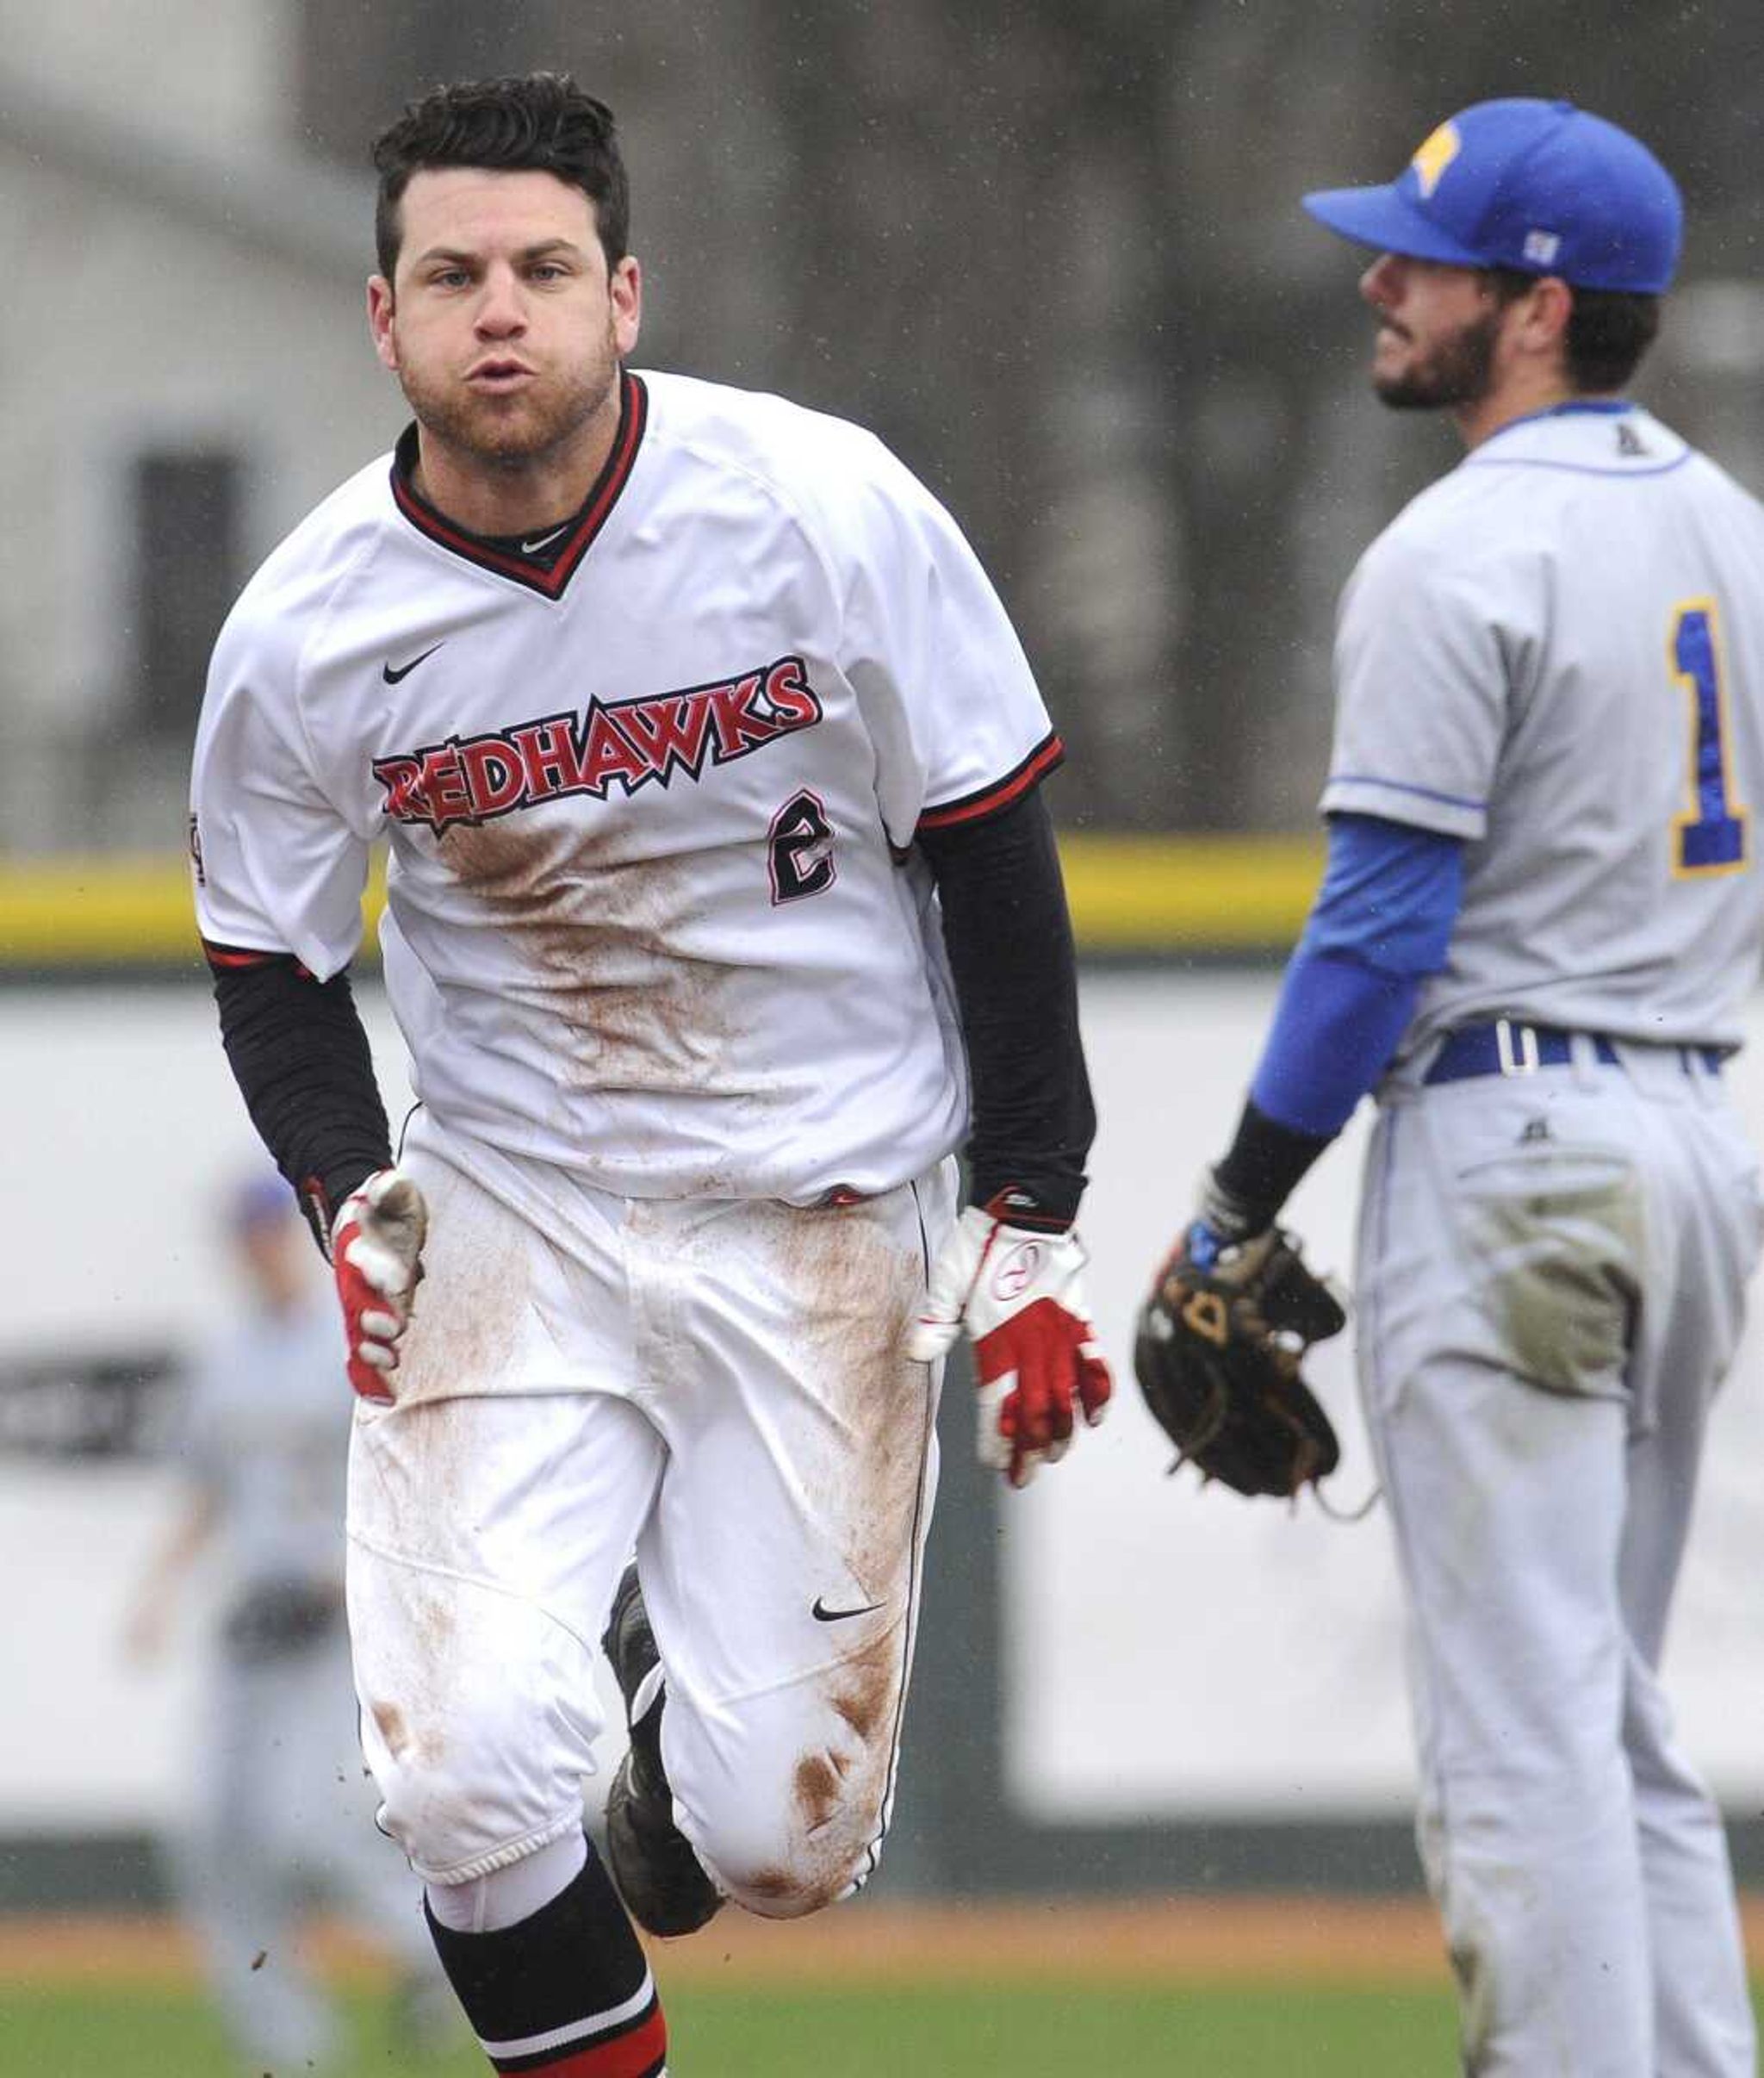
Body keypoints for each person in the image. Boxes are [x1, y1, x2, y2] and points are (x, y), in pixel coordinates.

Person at [188, 71, 1109, 2078]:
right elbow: (268, 959)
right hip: (517, 1198)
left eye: (539, 268)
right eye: (449, 274)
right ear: (383, 318)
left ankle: (662, 1736)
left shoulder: (815, 501)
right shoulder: (312, 625)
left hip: (822, 1198)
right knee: (449, 1779)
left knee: (784, 1838)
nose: (496, 311)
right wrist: (353, 1184)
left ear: (625, 291)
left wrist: (1033, 1202)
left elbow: (987, 831)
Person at [1141, 98, 1764, 2075]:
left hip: (1512, 1146)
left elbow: (1377, 933)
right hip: (1690, 1136)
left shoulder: (1458, 548)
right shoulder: (1735, 534)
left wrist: (1236, 1202)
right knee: (1607, 1717)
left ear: (1532, 305)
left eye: (1416, 258)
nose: (1372, 279)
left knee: (1511, 1742)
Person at [124, 1174, 451, 2074]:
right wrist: (157, 1592)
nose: (257, 1249)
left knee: (302, 1824)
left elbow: (403, 1472)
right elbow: (206, 1488)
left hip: (328, 1621)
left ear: (290, 1239)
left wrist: (359, 1576)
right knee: (214, 1840)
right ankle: (285, 2046)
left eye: (269, 1232)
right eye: (245, 1235)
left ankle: (438, 1954)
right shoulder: (227, 1359)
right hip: (249, 1627)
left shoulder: (339, 1344)